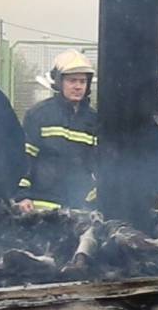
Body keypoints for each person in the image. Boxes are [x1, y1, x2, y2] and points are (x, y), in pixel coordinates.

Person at [17, 48, 100, 211]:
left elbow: (97, 165)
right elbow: (25, 159)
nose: (78, 86)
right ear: (59, 82)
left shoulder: (94, 120)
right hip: (43, 208)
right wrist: (22, 195)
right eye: (72, 81)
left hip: (79, 208)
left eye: (82, 81)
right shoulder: (39, 115)